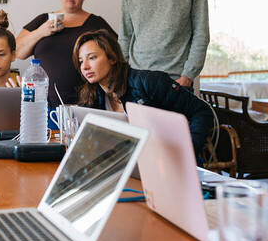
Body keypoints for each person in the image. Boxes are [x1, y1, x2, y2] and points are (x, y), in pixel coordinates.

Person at [73, 29, 213, 156]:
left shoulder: (149, 82)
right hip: (131, 164)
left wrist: (188, 151)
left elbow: (201, 111)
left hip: (168, 160)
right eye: (80, 61)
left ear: (112, 58)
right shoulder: (91, 97)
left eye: (92, 58)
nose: (84, 66)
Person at [16, 0, 116, 112]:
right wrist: (41, 32)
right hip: (43, 105)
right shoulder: (43, 20)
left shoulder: (96, 23)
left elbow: (116, 55)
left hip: (87, 104)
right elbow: (17, 52)